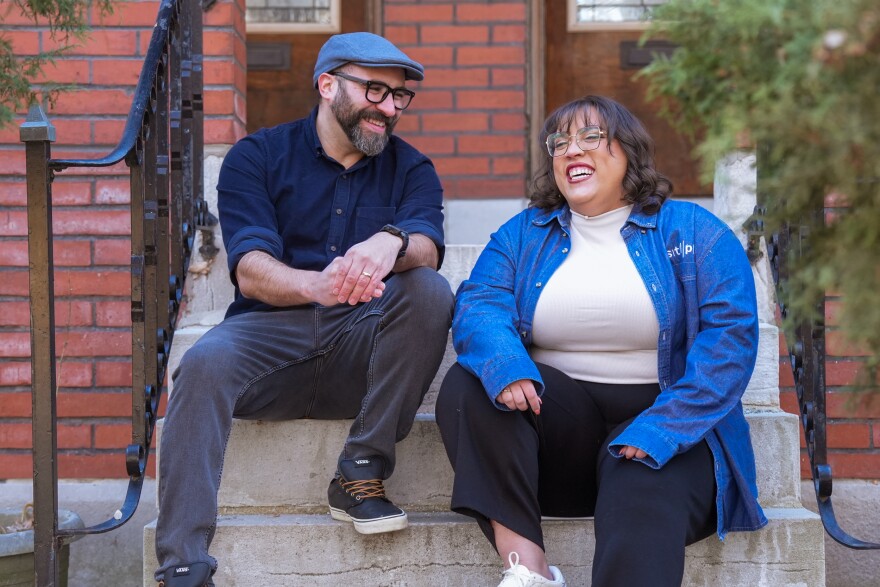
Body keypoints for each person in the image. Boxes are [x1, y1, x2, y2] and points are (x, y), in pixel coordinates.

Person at [154, 32, 454, 587]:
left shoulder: (413, 168)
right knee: (202, 365)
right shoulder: (258, 157)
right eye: (375, 91)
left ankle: (361, 471)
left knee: (430, 291)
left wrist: (392, 242)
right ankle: (182, 564)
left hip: (360, 357)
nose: (388, 108)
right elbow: (250, 268)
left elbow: (429, 247)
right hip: (270, 344)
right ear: (327, 84)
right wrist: (318, 286)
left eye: (398, 97)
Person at [435, 95, 768, 587]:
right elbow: (480, 304)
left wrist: (661, 430)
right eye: (560, 142)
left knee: (640, 483)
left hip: (669, 422)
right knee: (470, 385)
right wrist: (506, 365)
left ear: (629, 152)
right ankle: (529, 572)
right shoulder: (524, 233)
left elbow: (730, 344)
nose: (572, 151)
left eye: (591, 137)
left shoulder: (695, 231)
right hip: (561, 432)